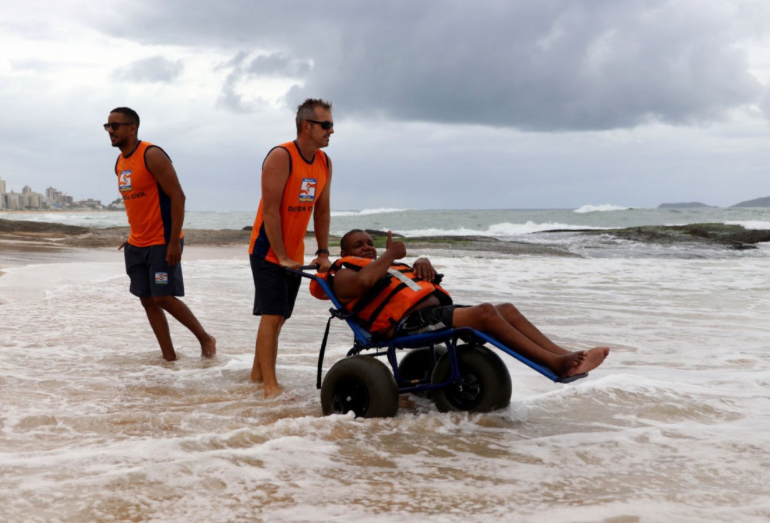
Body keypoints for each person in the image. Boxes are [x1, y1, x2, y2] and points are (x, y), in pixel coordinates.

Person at [311, 229, 609, 379]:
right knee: (485, 313)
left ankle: (566, 355)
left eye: (369, 243)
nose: (367, 247)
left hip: (432, 314)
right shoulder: (344, 275)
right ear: (344, 251)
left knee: (504, 308)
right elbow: (364, 285)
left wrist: (420, 261)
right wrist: (391, 255)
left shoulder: (387, 266)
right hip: (403, 325)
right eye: (359, 245)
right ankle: (555, 365)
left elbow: (399, 280)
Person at [106, 107, 216, 361]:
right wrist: (132, 235)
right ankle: (169, 358)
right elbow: (137, 203)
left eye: (115, 126)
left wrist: (174, 240)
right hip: (137, 243)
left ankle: (205, 338)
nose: (110, 131)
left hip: (162, 241)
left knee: (163, 297)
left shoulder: (152, 154)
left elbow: (178, 196)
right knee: (147, 300)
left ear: (132, 128)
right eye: (107, 126)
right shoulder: (120, 163)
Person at [248, 98, 334, 397]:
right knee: (272, 315)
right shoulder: (281, 156)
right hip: (267, 249)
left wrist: (323, 252)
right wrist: (281, 255)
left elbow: (321, 211)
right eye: (326, 125)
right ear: (306, 126)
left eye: (332, 125)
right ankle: (270, 386)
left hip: (293, 253)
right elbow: (271, 211)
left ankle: (257, 376)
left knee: (281, 316)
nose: (331, 131)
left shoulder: (324, 162)